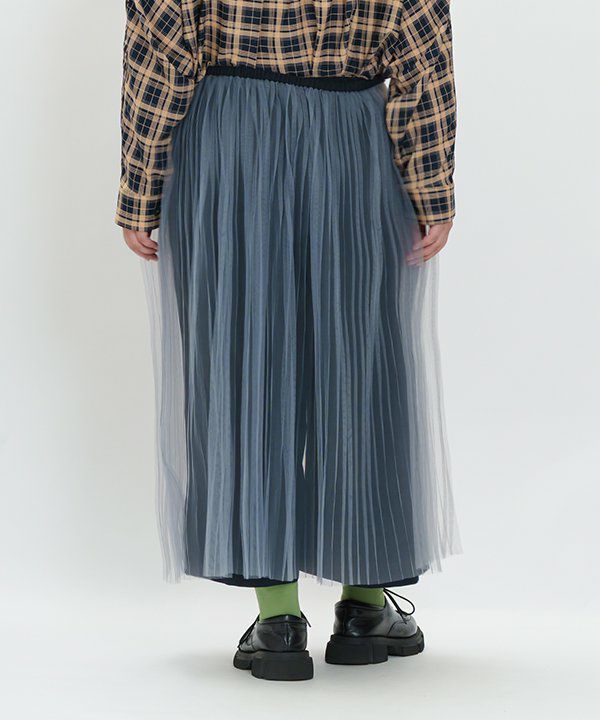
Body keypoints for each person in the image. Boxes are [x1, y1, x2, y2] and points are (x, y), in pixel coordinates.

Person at [117, 0, 460, 682]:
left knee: (246, 362)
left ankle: (278, 622)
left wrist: (139, 187)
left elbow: (159, 48)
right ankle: (364, 610)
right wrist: (432, 189)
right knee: (360, 362)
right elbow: (422, 53)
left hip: (230, 141)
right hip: (352, 138)